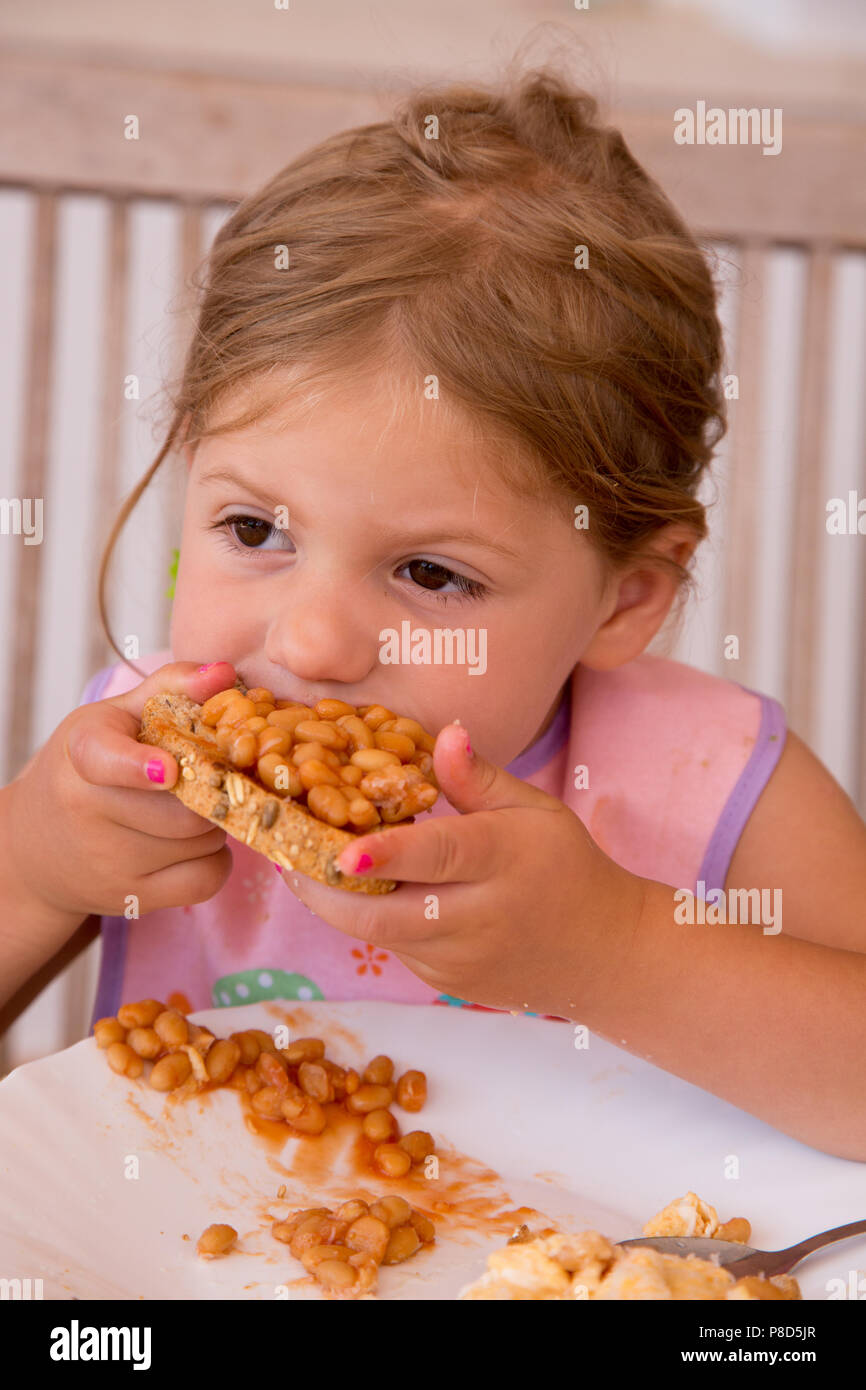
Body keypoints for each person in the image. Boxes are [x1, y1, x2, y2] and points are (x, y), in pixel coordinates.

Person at [2, 64, 865, 1159]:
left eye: (429, 574)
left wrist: (616, 950)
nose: (309, 644)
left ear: (627, 597)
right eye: (254, 532)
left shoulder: (713, 781)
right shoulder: (133, 766)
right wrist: (33, 865)